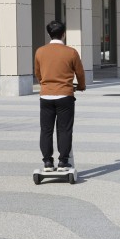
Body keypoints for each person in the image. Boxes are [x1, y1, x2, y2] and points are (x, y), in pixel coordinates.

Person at [34, 20, 86, 172]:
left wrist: (44, 84)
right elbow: (80, 73)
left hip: (46, 96)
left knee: (46, 130)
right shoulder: (71, 52)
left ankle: (48, 162)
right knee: (64, 129)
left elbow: (38, 73)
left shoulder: (40, 51)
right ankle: (63, 161)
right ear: (63, 34)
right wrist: (81, 86)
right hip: (65, 95)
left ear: (48, 33)